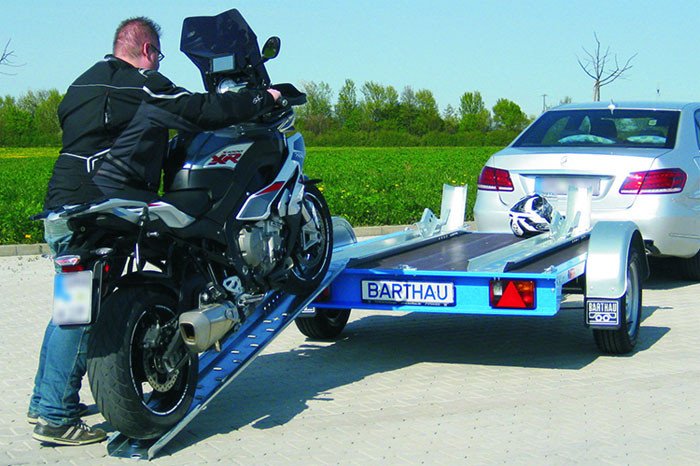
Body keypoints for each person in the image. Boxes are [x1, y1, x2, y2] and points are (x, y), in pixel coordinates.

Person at [29, 16, 280, 446]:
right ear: (147, 50)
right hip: (105, 205)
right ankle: (55, 416)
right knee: (80, 314)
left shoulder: (79, 86)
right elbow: (201, 109)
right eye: (158, 56)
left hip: (63, 207)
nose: (159, 64)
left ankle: (47, 400)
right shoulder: (143, 85)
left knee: (71, 310)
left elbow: (106, 137)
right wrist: (261, 98)